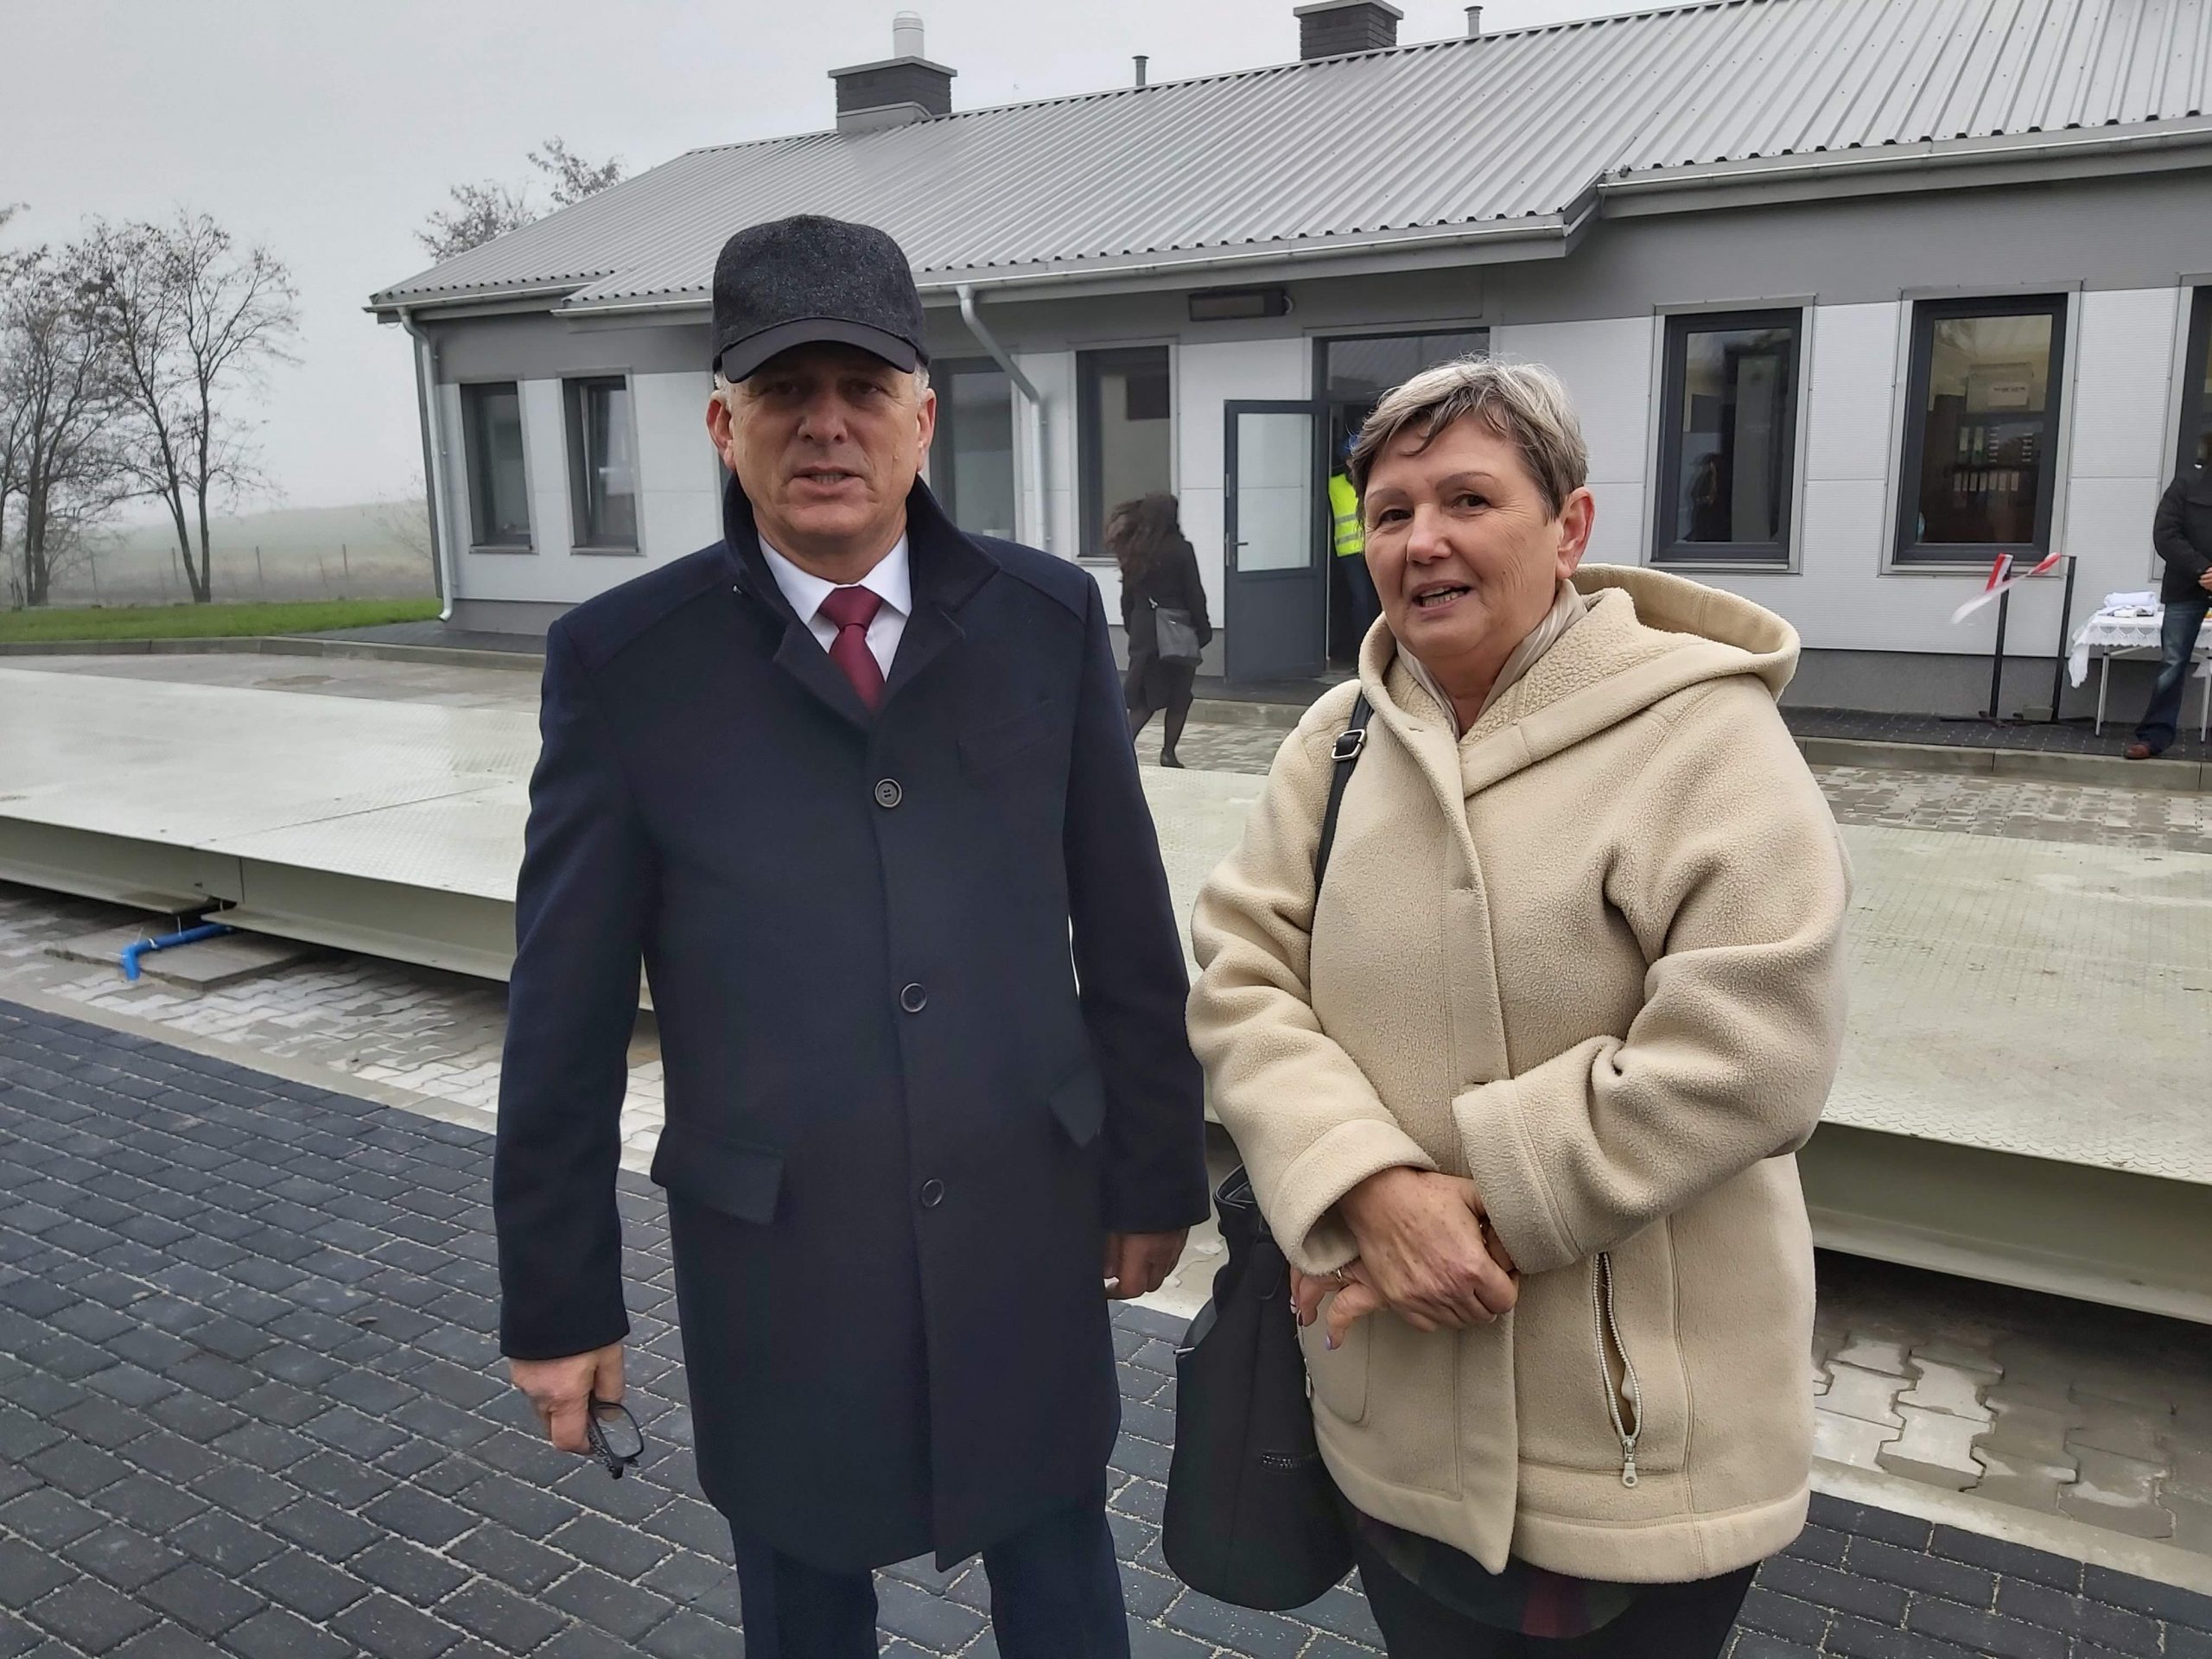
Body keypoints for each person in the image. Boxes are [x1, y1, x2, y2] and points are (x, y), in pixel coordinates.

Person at [493, 213, 1209, 1659]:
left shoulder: (1044, 620)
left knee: (1063, 1578)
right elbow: (564, 1012)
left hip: (1024, 1226)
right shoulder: (626, 666)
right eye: (783, 391)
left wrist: (1152, 1170)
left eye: (864, 388)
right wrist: (560, 1301)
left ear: (923, 418)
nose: (827, 425)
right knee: (803, 1602)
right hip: (781, 1260)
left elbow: (1127, 925)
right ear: (723, 424)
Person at [1187, 357, 1849, 1658]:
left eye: (1468, 500)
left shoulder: (1703, 736)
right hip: (1393, 1426)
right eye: (1390, 513)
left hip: (1638, 1450)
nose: (1421, 541)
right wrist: (1371, 1190)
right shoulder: (1338, 741)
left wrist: (1477, 1205)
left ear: (1570, 526)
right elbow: (1242, 975)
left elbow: (1755, 1045)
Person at [1109, 493, 1211, 767]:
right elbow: (1194, 593)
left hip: (1144, 629)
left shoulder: (1134, 548)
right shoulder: (1180, 549)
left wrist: (1134, 628)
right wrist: (1202, 629)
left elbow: (1126, 598)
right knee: (1179, 695)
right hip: (1176, 629)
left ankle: (1119, 752)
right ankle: (1168, 753)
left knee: (1143, 700)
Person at [2126, 435, 2212, 759]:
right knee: (2173, 663)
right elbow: (2165, 534)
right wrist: (2202, 570)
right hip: (2185, 587)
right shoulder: (2186, 484)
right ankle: (2153, 737)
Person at [1332, 440, 1381, 645]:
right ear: (1346, 461)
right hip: (1350, 553)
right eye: (1352, 458)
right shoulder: (1334, 484)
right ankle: (1363, 647)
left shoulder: (1375, 481)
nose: (1355, 462)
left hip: (1374, 548)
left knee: (1381, 599)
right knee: (1361, 600)